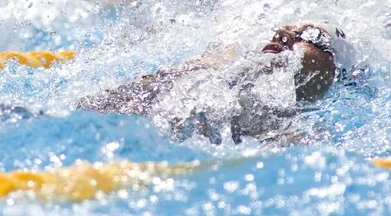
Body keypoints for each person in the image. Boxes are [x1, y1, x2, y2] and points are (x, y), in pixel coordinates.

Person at [77, 21, 366, 146]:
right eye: (283, 31)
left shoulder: (294, 121)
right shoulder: (229, 60)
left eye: (305, 35)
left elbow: (317, 66)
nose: (283, 38)